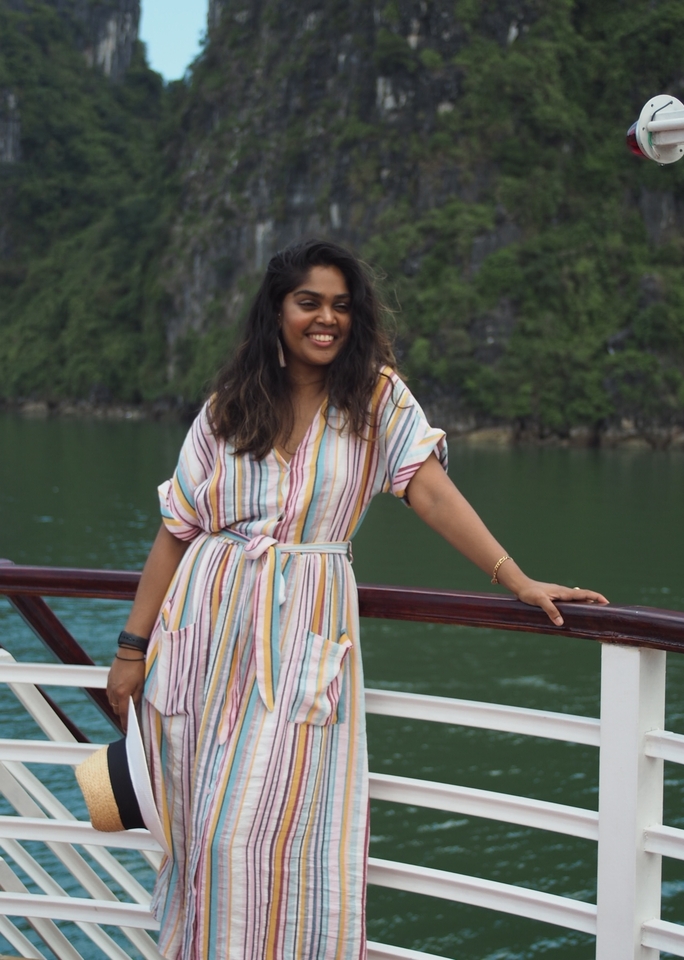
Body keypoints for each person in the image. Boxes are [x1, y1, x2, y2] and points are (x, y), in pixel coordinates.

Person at [106, 238, 608, 960]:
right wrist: (131, 648)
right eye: (308, 302)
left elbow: (430, 492)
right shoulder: (228, 408)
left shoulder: (376, 398)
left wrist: (516, 577)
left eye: (341, 305)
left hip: (304, 632)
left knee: (250, 832)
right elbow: (175, 533)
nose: (326, 318)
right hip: (203, 640)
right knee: (198, 834)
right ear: (277, 310)